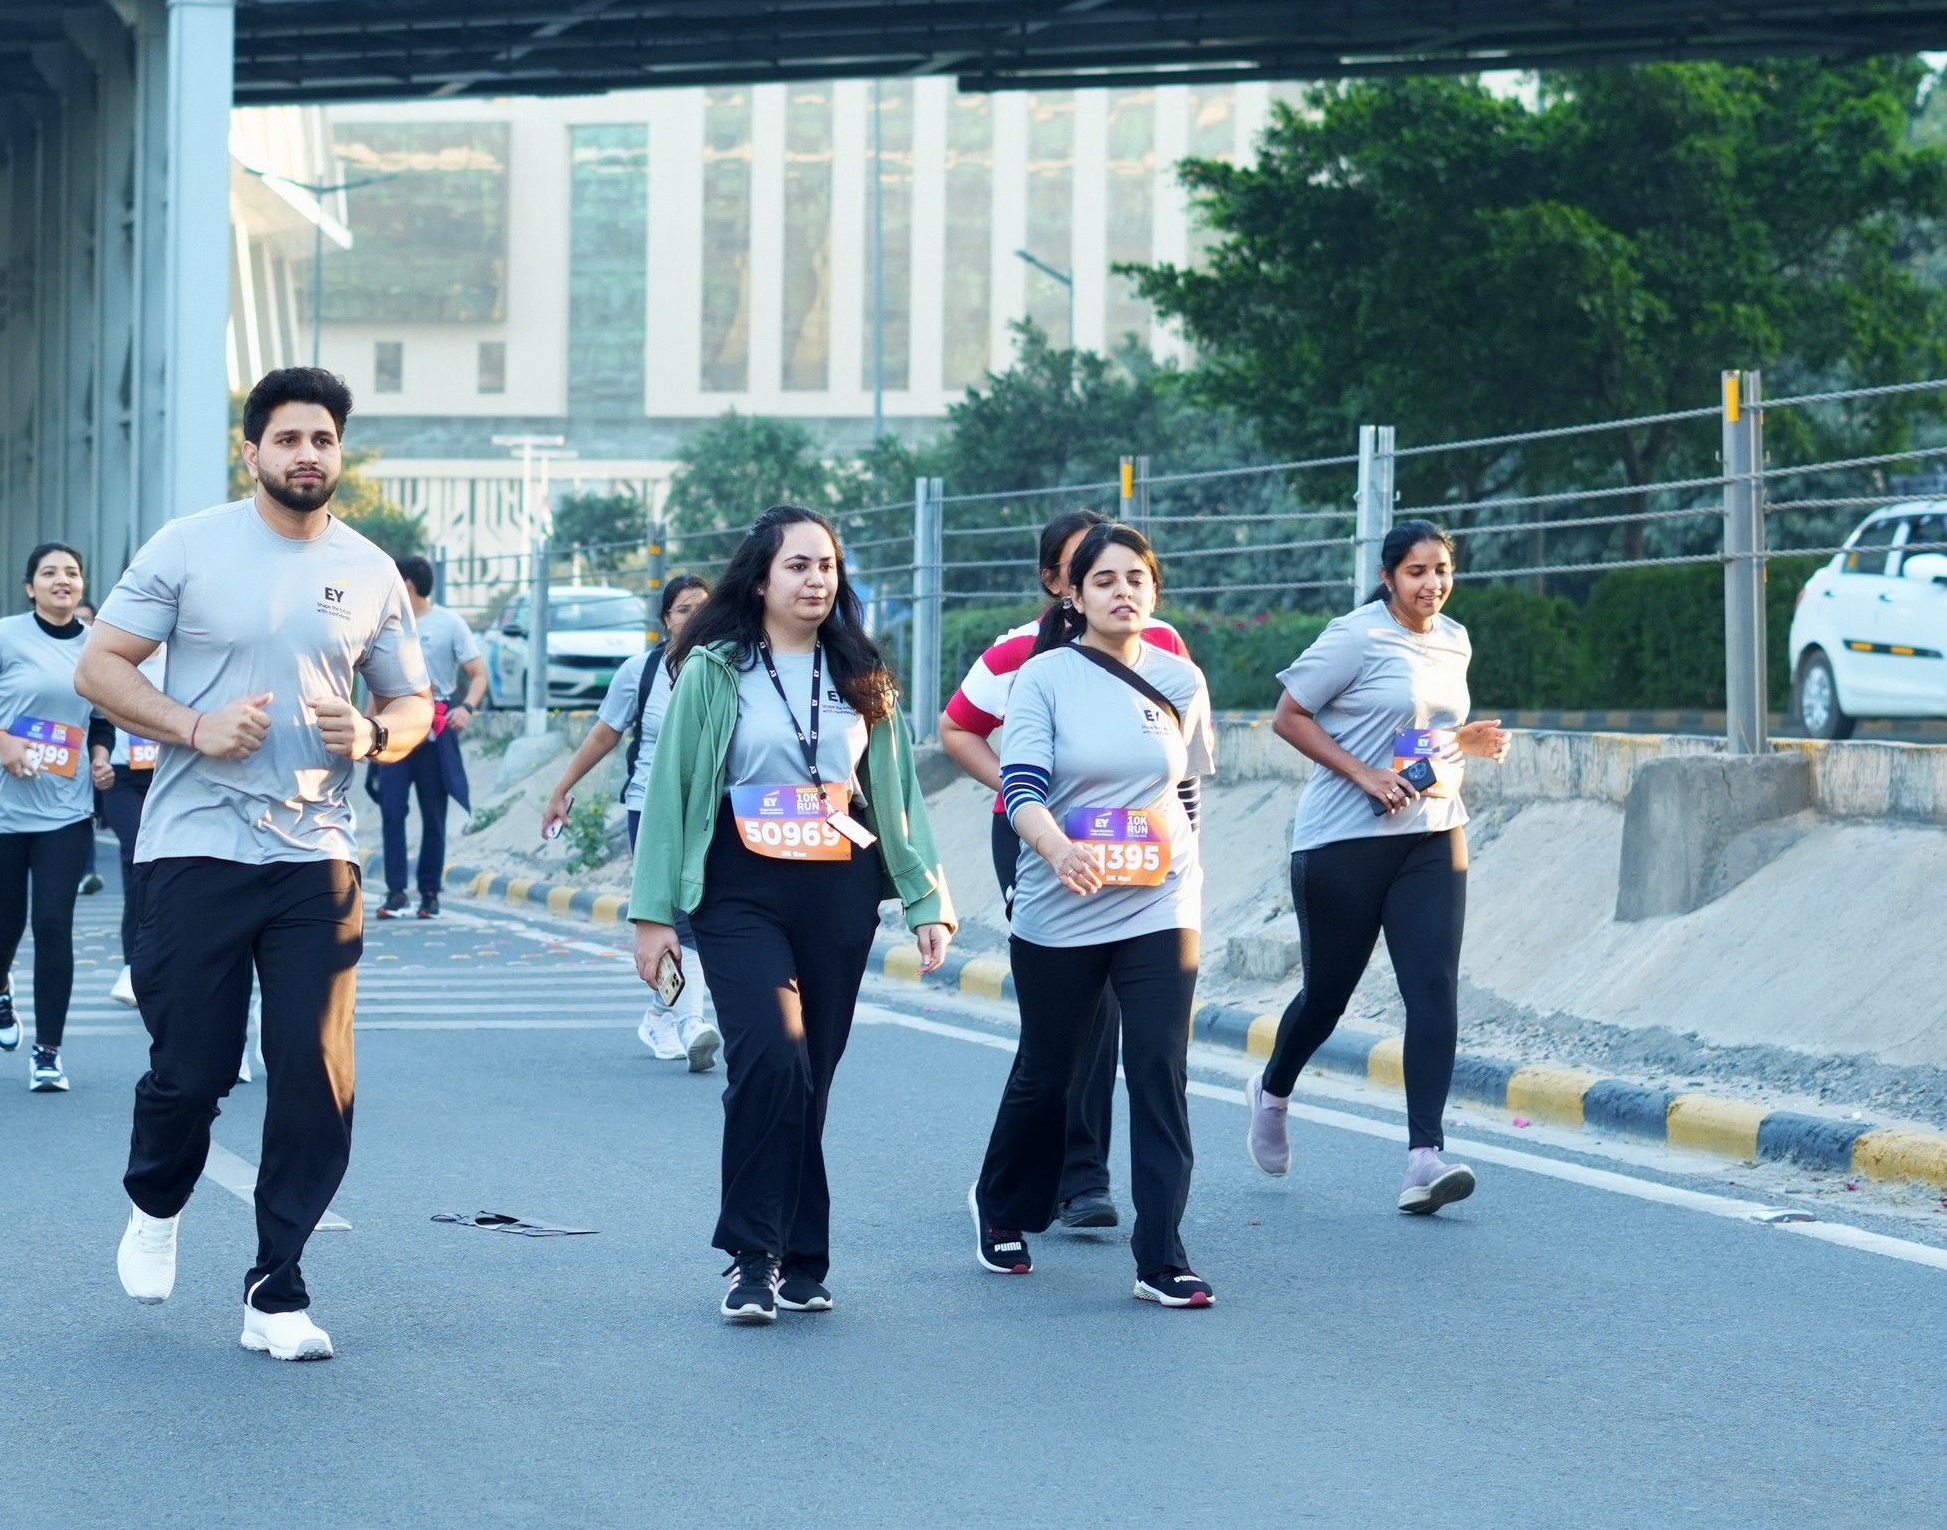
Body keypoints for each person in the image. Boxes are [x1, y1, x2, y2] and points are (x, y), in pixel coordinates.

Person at [83, 365, 433, 1363]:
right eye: (287, 438)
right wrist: (193, 724)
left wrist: (375, 732)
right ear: (252, 453)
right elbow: (99, 665)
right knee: (190, 1070)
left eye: (322, 438)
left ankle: (276, 1288)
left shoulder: (369, 570)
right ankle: (157, 1201)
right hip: (194, 844)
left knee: (316, 1073)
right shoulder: (187, 546)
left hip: (315, 854)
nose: (306, 454)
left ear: (339, 452)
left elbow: (414, 702)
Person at [629, 507, 955, 1326]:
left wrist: (927, 900)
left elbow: (897, 796)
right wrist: (652, 913)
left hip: (838, 885)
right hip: (738, 883)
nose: (816, 580)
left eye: (826, 566)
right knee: (771, 1056)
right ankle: (752, 1256)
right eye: (798, 565)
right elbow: (671, 789)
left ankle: (803, 1256)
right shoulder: (714, 669)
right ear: (761, 579)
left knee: (812, 1074)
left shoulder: (862, 675)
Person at [970, 522, 1218, 1310]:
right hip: (1063, 901)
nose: (1123, 592)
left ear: (1155, 589)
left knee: (1158, 1065)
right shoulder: (1042, 678)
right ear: (1072, 594)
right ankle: (1001, 1202)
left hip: (1159, 899)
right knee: (1051, 1069)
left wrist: (1186, 874)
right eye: (1105, 580)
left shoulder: (1180, 679)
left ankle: (1161, 1255)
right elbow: (1020, 786)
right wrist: (1056, 849)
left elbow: (1185, 789)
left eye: (1136, 578)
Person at [1249, 521, 1511, 1216]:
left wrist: (1463, 741)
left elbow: (1418, 735)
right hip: (1343, 840)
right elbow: (1289, 717)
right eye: (1417, 571)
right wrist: (1364, 774)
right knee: (1326, 997)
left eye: (1442, 569)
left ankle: (1425, 1158)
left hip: (1432, 833)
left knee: (1434, 988)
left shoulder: (1454, 638)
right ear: (1389, 576)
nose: (1433, 583)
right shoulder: (1354, 636)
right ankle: (1273, 1092)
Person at [545, 572, 720, 1071]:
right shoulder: (640, 672)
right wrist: (562, 788)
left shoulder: (726, 668)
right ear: (666, 619)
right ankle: (691, 1022)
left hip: (707, 812)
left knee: (703, 916)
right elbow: (604, 735)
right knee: (672, 916)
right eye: (684, 609)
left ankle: (660, 1015)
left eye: (703, 608)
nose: (694, 617)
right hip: (650, 809)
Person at [0, 550, 110, 1089]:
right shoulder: (3, 637)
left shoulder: (98, 644)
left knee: (53, 923)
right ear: (30, 587)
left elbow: (102, 717)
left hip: (65, 809)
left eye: (71, 573)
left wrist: (101, 757)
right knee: (5, 925)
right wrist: (1, 739)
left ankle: (48, 1051)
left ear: (81, 585)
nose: (62, 580)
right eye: (49, 573)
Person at [374, 555, 485, 922]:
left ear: (407, 584)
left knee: (433, 816)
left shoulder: (449, 623)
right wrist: (368, 728)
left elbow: (479, 674)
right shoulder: (386, 623)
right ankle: (395, 892)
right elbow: (374, 682)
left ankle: (430, 894)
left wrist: (466, 707)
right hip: (393, 730)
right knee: (391, 810)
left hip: (435, 733)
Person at [96, 649, 167, 1007]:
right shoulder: (113, 654)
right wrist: (99, 760)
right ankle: (132, 966)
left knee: (173, 867)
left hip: (173, 772)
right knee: (139, 857)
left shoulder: (185, 653)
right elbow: (92, 716)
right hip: (122, 777)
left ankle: (167, 960)